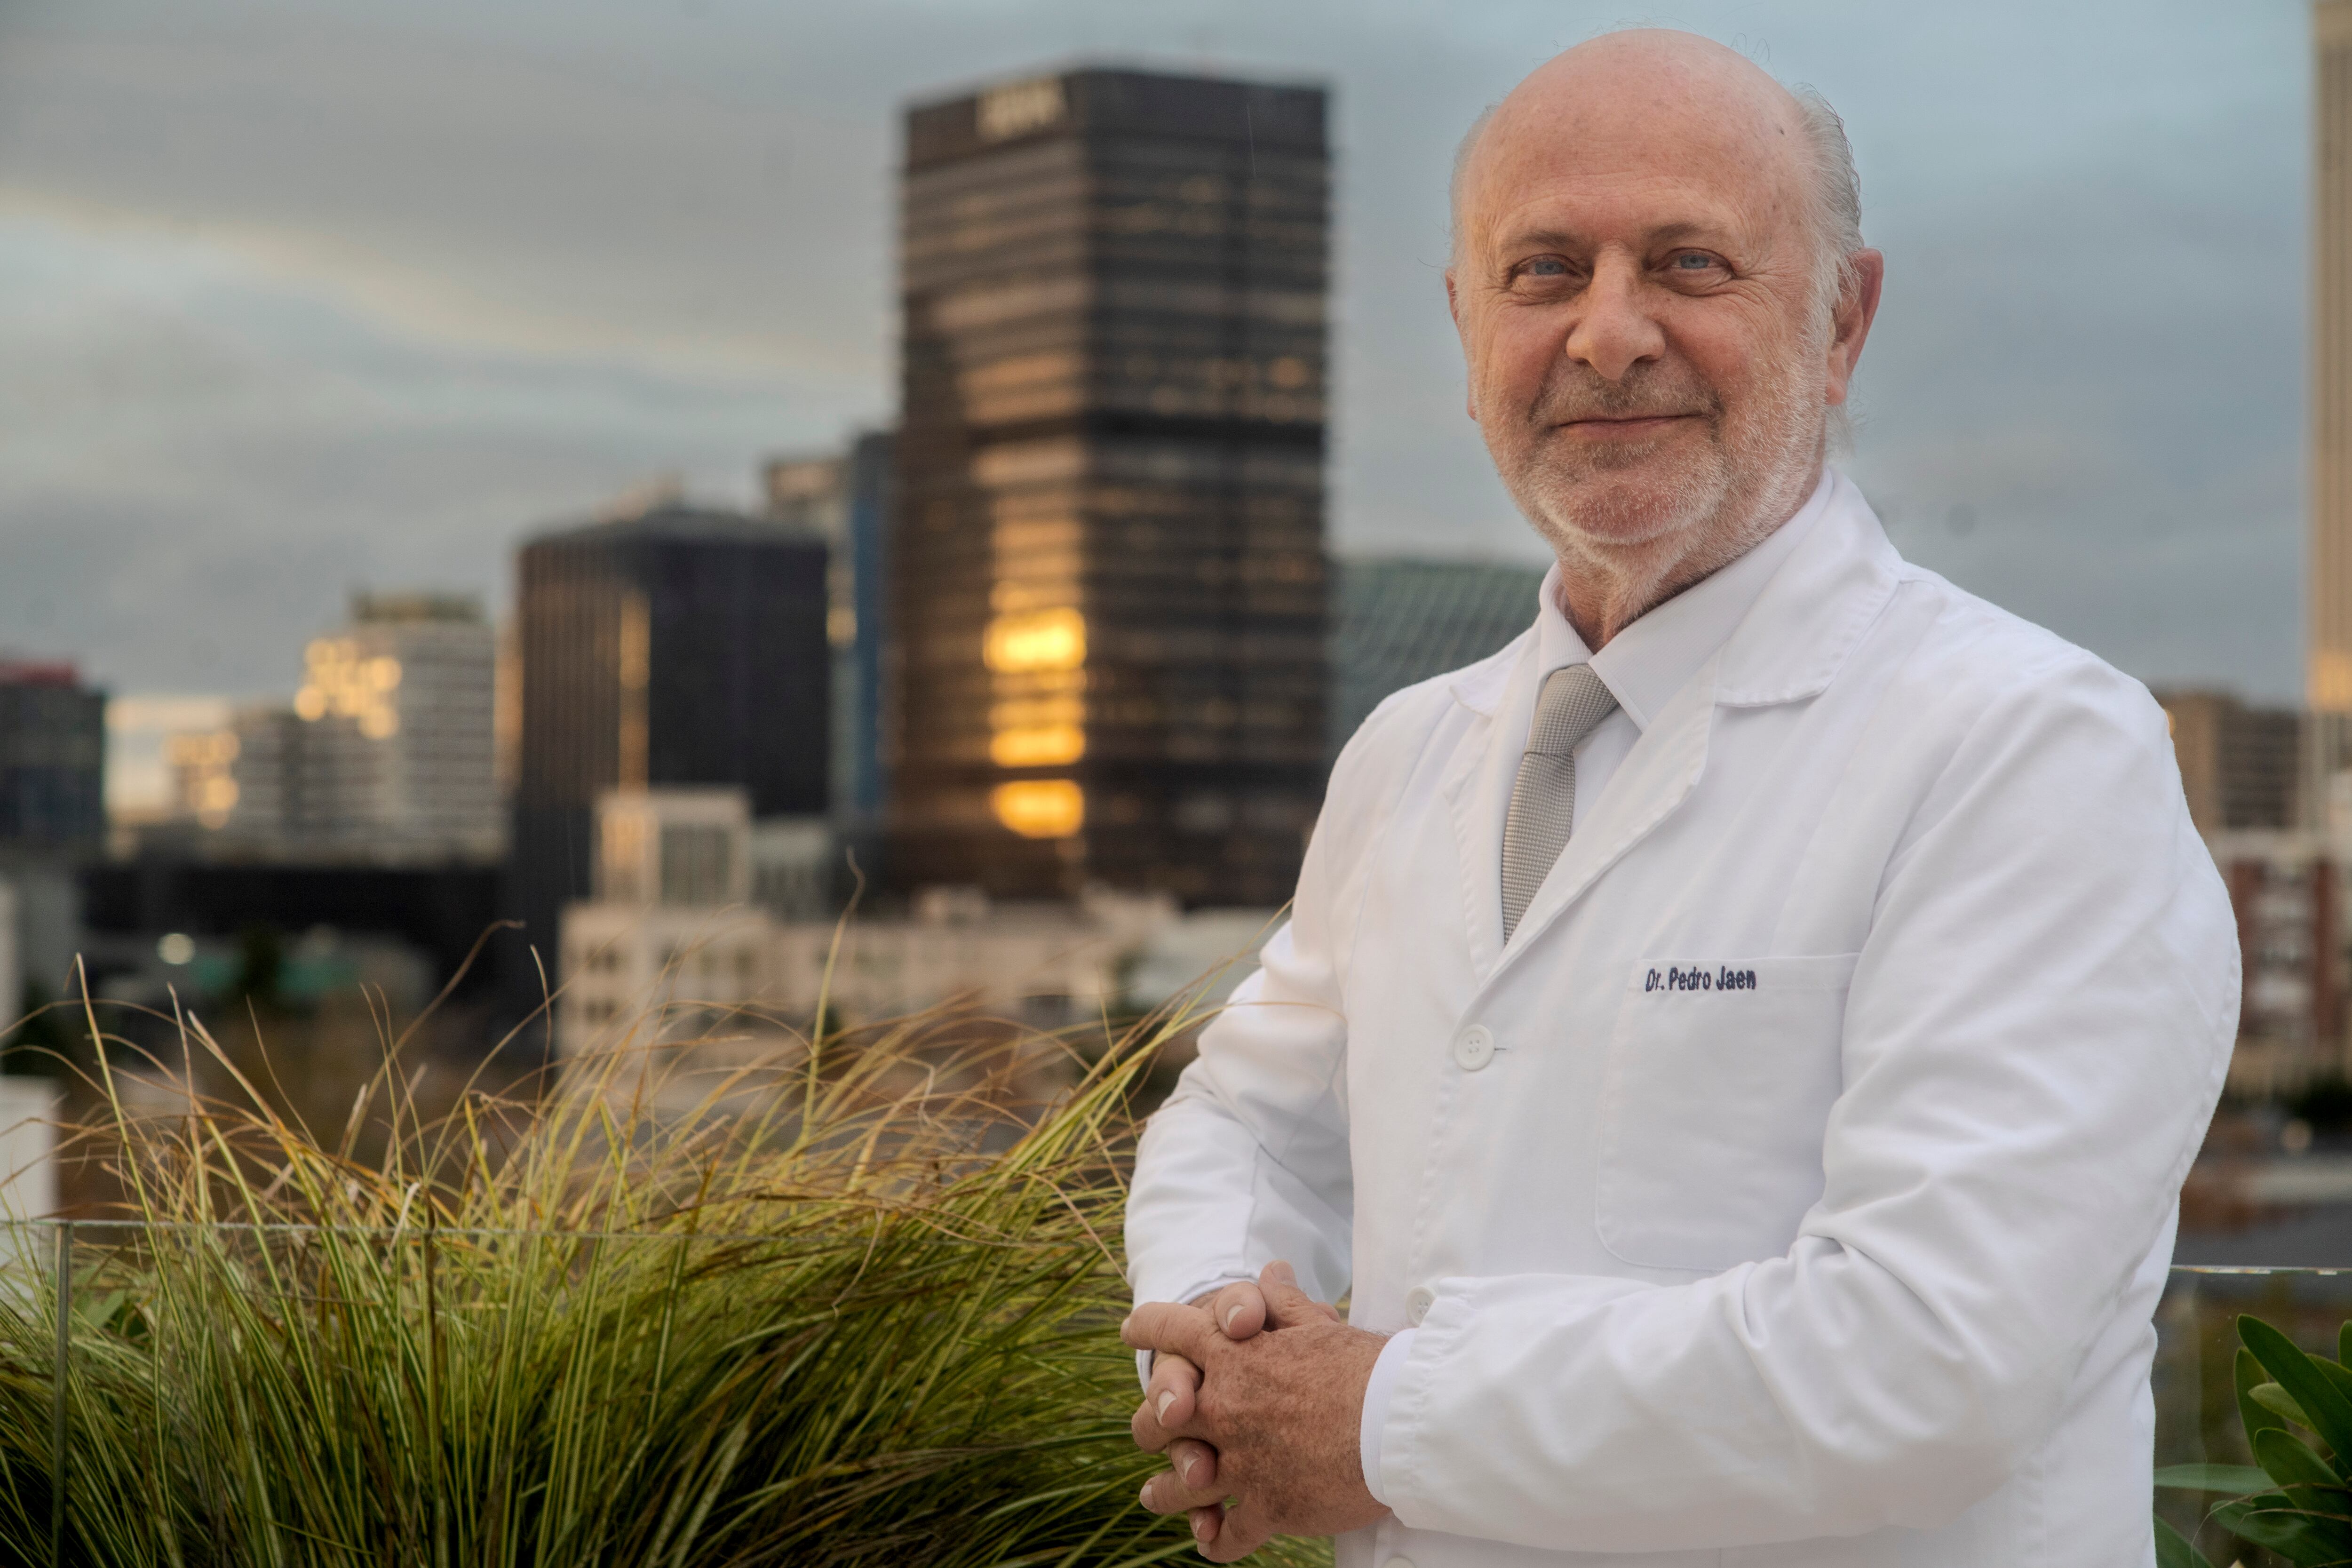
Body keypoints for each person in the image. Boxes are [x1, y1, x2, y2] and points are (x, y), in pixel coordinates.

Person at [1119, 27, 2238, 1568]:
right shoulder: (1408, 751)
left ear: (1843, 321)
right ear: (1465, 329)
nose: (1606, 334)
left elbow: (1927, 1358)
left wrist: (1379, 1422)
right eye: (1543, 272)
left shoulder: (2033, 752)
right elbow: (1252, 1117)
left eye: (1692, 264)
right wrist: (1220, 1353)